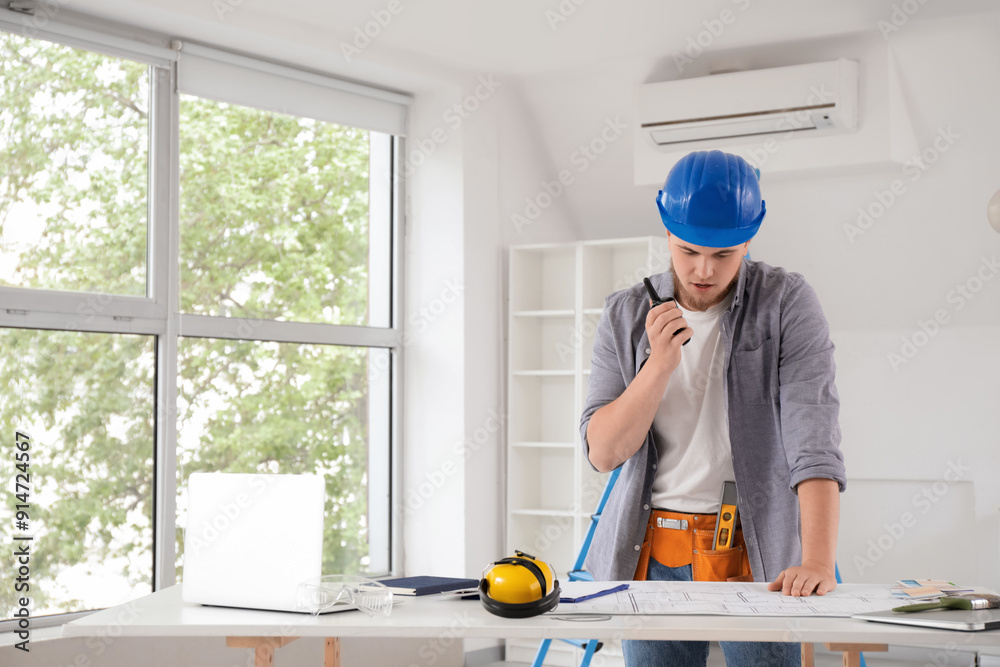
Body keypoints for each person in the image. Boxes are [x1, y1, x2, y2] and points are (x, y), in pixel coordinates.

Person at [579, 150, 846, 666]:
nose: (704, 270)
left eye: (723, 254)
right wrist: (657, 366)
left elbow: (814, 439)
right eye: (688, 251)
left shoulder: (787, 303)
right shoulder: (626, 313)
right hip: (652, 551)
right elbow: (603, 452)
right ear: (666, 230)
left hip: (756, 550)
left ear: (750, 237)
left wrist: (816, 559)